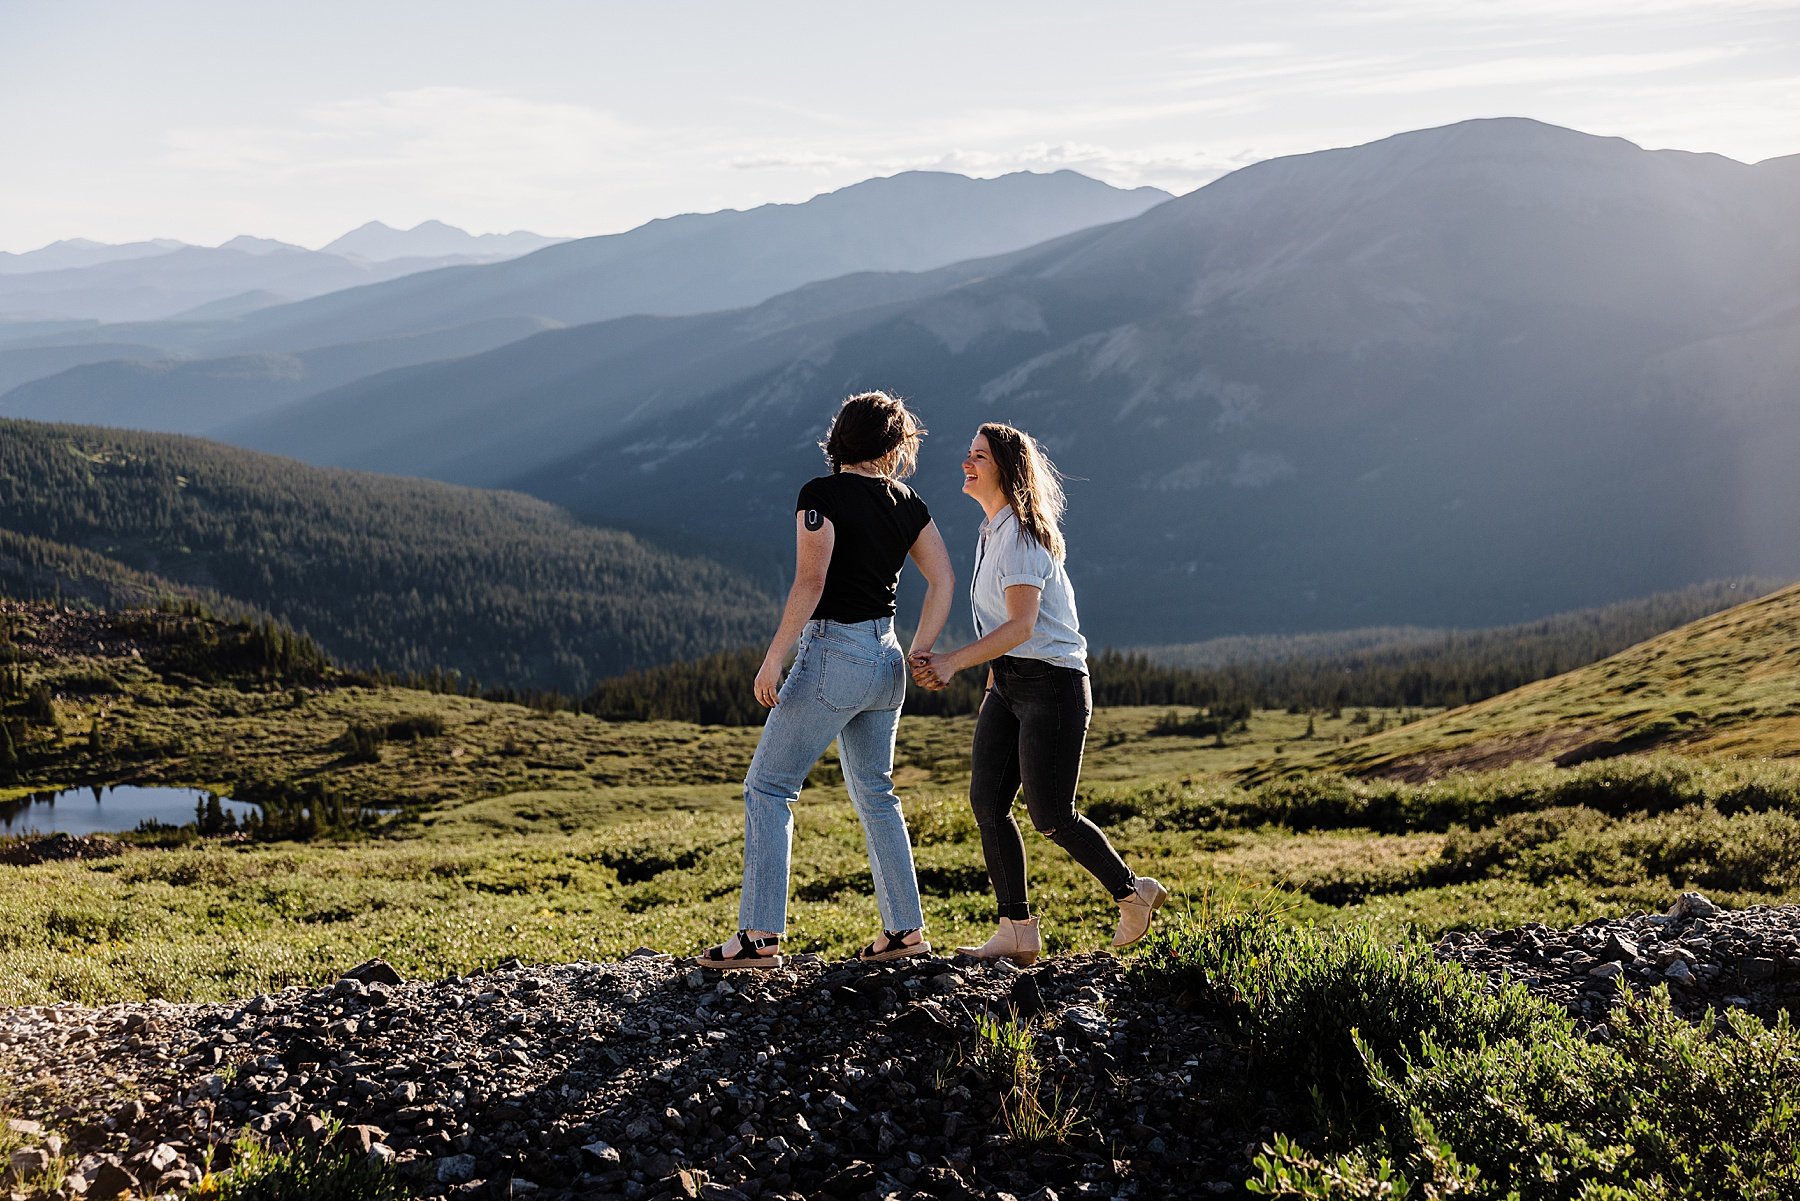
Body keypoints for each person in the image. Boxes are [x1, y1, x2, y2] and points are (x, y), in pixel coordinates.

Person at [701, 391, 955, 970]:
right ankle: (905, 931)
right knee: (876, 794)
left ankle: (760, 937)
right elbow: (942, 580)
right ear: (892, 446)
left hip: (831, 655)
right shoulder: (909, 502)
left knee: (768, 787)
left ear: (841, 435)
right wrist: (919, 649)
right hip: (887, 659)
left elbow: (810, 582)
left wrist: (773, 659)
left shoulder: (821, 495)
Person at [911, 423, 1166, 966]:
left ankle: (1132, 893)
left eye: (978, 456)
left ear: (1005, 468)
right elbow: (998, 625)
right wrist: (988, 686)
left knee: (1052, 813)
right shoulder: (990, 531)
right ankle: (1017, 930)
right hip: (1008, 684)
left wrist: (953, 661)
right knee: (987, 802)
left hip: (1052, 684)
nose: (966, 463)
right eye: (968, 455)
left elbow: (1023, 625)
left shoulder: (1024, 535)